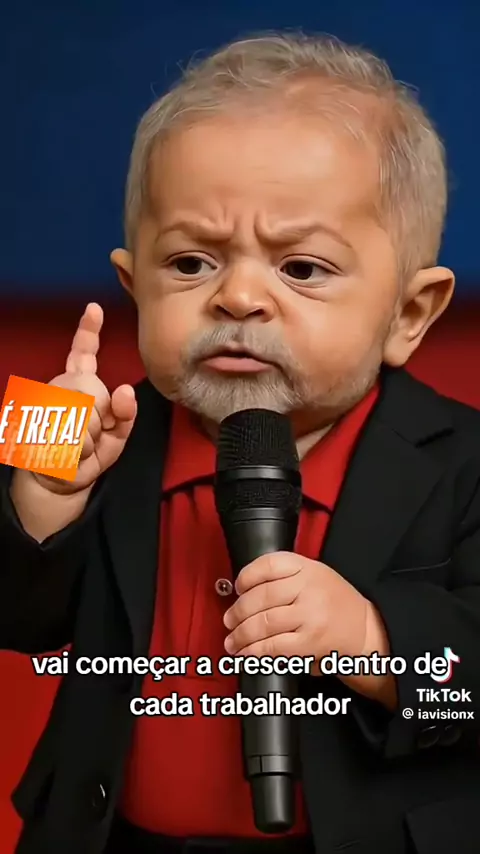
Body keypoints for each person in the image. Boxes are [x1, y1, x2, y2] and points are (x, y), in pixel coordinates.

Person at [1, 30, 480, 854]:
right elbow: (19, 618)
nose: (240, 297)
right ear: (133, 287)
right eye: (191, 263)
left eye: (302, 268)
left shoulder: (462, 458)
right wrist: (42, 493)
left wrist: (372, 640)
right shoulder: (73, 423)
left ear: (410, 314)